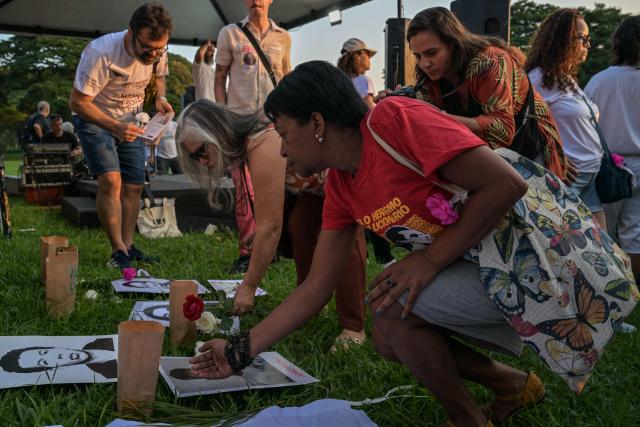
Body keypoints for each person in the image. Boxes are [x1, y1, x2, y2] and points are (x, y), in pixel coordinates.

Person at [188, 61, 637, 427]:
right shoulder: (341, 188)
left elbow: (505, 186)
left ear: (318, 123)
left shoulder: (394, 120)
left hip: (539, 262)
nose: (282, 151)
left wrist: (429, 260)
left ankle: (466, 419)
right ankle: (511, 386)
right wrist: (241, 350)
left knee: (388, 310)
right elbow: (314, 289)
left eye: (284, 134)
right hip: (486, 266)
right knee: (386, 327)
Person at [176, 99, 368, 350]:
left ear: (216, 133)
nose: (201, 161)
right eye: (193, 156)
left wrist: (248, 286)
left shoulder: (262, 144)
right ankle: (312, 302)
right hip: (317, 188)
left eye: (201, 151)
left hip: (345, 179)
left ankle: (353, 326)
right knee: (301, 226)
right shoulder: (247, 146)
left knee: (346, 239)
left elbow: (272, 227)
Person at [378, 7, 569, 183]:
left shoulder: (490, 61)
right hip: (498, 160)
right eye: (418, 56)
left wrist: (433, 117)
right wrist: (399, 104)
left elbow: (501, 129)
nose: (425, 63)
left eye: (432, 53)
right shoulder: (434, 79)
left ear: (453, 44)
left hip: (532, 152)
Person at [69, 3, 174, 270]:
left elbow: (159, 76)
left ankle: (129, 245)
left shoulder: (159, 52)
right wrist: (113, 126)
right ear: (131, 32)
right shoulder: (101, 52)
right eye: (147, 47)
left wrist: (160, 97)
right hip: (95, 118)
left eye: (159, 48)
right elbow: (78, 102)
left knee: (135, 185)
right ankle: (117, 250)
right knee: (111, 181)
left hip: (132, 120)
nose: (154, 54)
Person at [214, 0, 292, 274]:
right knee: (244, 188)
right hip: (238, 121)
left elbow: (285, 79)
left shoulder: (284, 37)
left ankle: (271, 247)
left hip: (271, 121)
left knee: (270, 187)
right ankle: (248, 250)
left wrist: (289, 116)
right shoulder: (230, 33)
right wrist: (223, 117)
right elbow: (219, 77)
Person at [525, 9, 606, 229]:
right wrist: (553, 156)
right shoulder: (539, 79)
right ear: (564, 39)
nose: (588, 45)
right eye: (583, 38)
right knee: (573, 247)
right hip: (569, 178)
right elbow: (525, 125)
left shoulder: (566, 79)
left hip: (590, 176)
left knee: (606, 247)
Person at [584, 15, 640, 284]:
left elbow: (586, 125)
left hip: (608, 165)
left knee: (604, 233)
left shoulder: (600, 80)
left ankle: (610, 290)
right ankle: (633, 293)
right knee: (635, 233)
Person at [338, 38, 395, 268]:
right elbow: (369, 111)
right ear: (356, 56)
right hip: (365, 145)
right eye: (366, 54)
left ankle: (363, 251)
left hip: (344, 146)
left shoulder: (339, 82)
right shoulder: (363, 80)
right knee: (375, 200)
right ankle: (384, 256)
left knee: (355, 200)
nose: (369, 59)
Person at [0, 338, 117, 379]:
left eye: (44, 352)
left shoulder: (99, 341)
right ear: (51, 368)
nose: (57, 355)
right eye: (44, 362)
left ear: (54, 347)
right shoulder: (106, 374)